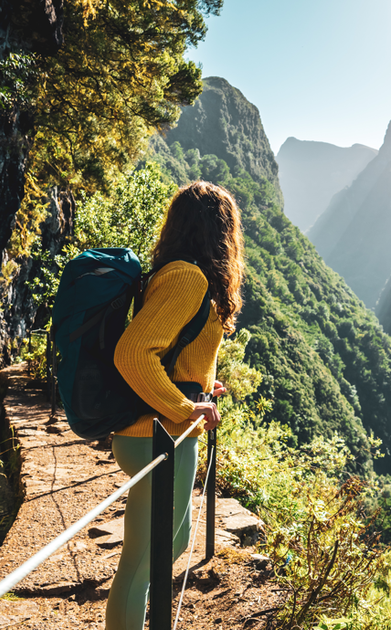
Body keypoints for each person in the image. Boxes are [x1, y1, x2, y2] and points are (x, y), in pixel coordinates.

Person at [105, 181, 245, 630]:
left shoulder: (183, 275)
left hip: (169, 433)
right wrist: (185, 406)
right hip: (158, 436)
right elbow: (132, 353)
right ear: (221, 230)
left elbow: (173, 349)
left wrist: (202, 386)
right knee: (144, 559)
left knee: (171, 541)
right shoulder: (188, 278)